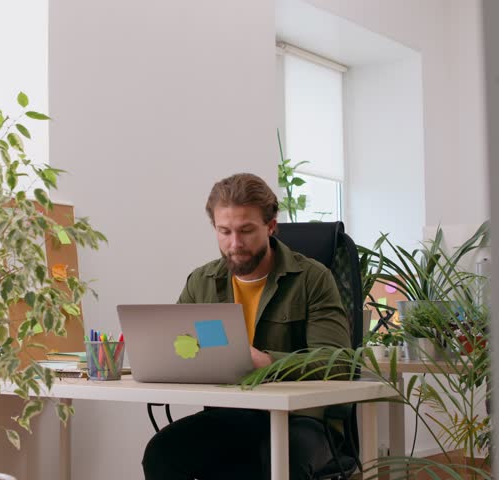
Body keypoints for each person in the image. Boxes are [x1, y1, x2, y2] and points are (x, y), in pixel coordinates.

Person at [141, 173, 352, 480]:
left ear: (271, 226)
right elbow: (178, 347)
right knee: (162, 453)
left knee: (282, 457)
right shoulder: (202, 282)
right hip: (230, 415)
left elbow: (337, 362)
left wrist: (268, 362)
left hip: (302, 420)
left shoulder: (312, 278)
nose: (235, 244)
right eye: (224, 231)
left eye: (246, 231)